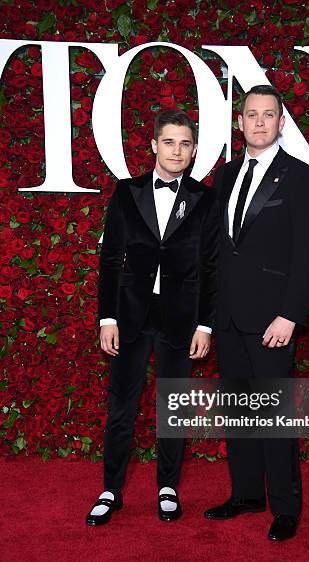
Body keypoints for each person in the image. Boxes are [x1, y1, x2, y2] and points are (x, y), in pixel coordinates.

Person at [204, 85, 309, 541]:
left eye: (268, 114)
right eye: (251, 114)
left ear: (280, 122)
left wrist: (290, 315)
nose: (258, 122)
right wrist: (211, 314)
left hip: (273, 320)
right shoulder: (227, 174)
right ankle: (248, 494)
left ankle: (287, 508)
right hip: (230, 319)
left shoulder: (300, 177)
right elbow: (219, 249)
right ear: (240, 123)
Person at [86, 108, 218, 526]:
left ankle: (167, 487)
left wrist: (205, 323)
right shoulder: (126, 193)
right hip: (130, 315)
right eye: (169, 142)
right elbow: (109, 259)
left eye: (184, 144)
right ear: (154, 145)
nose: (176, 150)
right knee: (122, 404)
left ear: (194, 151)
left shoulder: (205, 199)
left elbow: (212, 264)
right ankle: (110, 489)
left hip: (180, 316)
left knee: (174, 407)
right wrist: (107, 317)